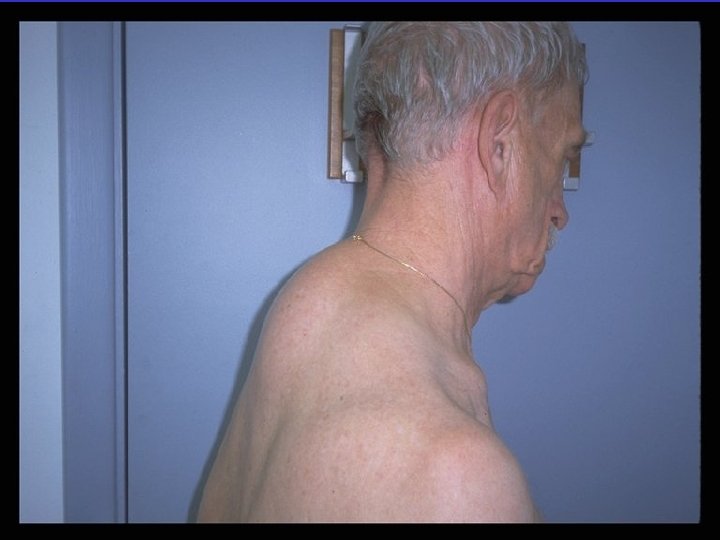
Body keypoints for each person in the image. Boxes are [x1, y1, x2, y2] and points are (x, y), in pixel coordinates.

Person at [196, 21, 588, 522]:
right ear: (499, 145)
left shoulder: (307, 304)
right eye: (561, 158)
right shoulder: (460, 482)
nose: (559, 211)